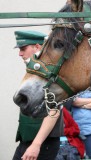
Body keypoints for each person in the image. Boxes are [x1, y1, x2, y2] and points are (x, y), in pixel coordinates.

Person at [13, 30, 64, 160]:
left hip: (41, 144)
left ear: (37, 47)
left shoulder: (48, 75)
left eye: (23, 48)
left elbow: (53, 111)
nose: (20, 53)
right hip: (28, 142)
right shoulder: (37, 73)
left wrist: (36, 145)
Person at [72, 89, 91, 158]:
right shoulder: (74, 87)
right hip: (75, 131)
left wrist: (83, 106)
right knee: (74, 156)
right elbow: (74, 102)